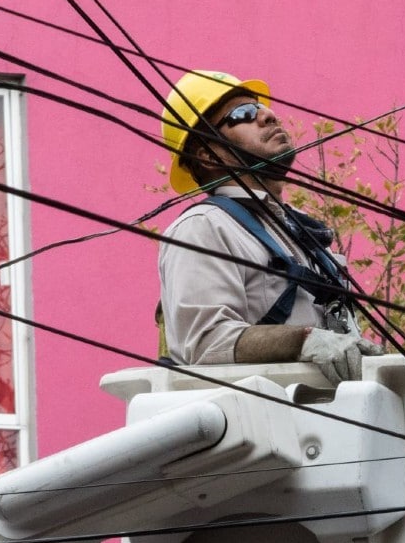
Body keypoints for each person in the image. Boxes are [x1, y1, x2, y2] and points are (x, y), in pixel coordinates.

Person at [157, 70, 382, 384]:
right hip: (261, 424)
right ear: (208, 154)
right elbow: (206, 341)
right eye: (244, 114)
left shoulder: (301, 233)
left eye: (261, 107)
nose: (268, 115)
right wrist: (303, 341)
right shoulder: (204, 228)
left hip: (328, 420)